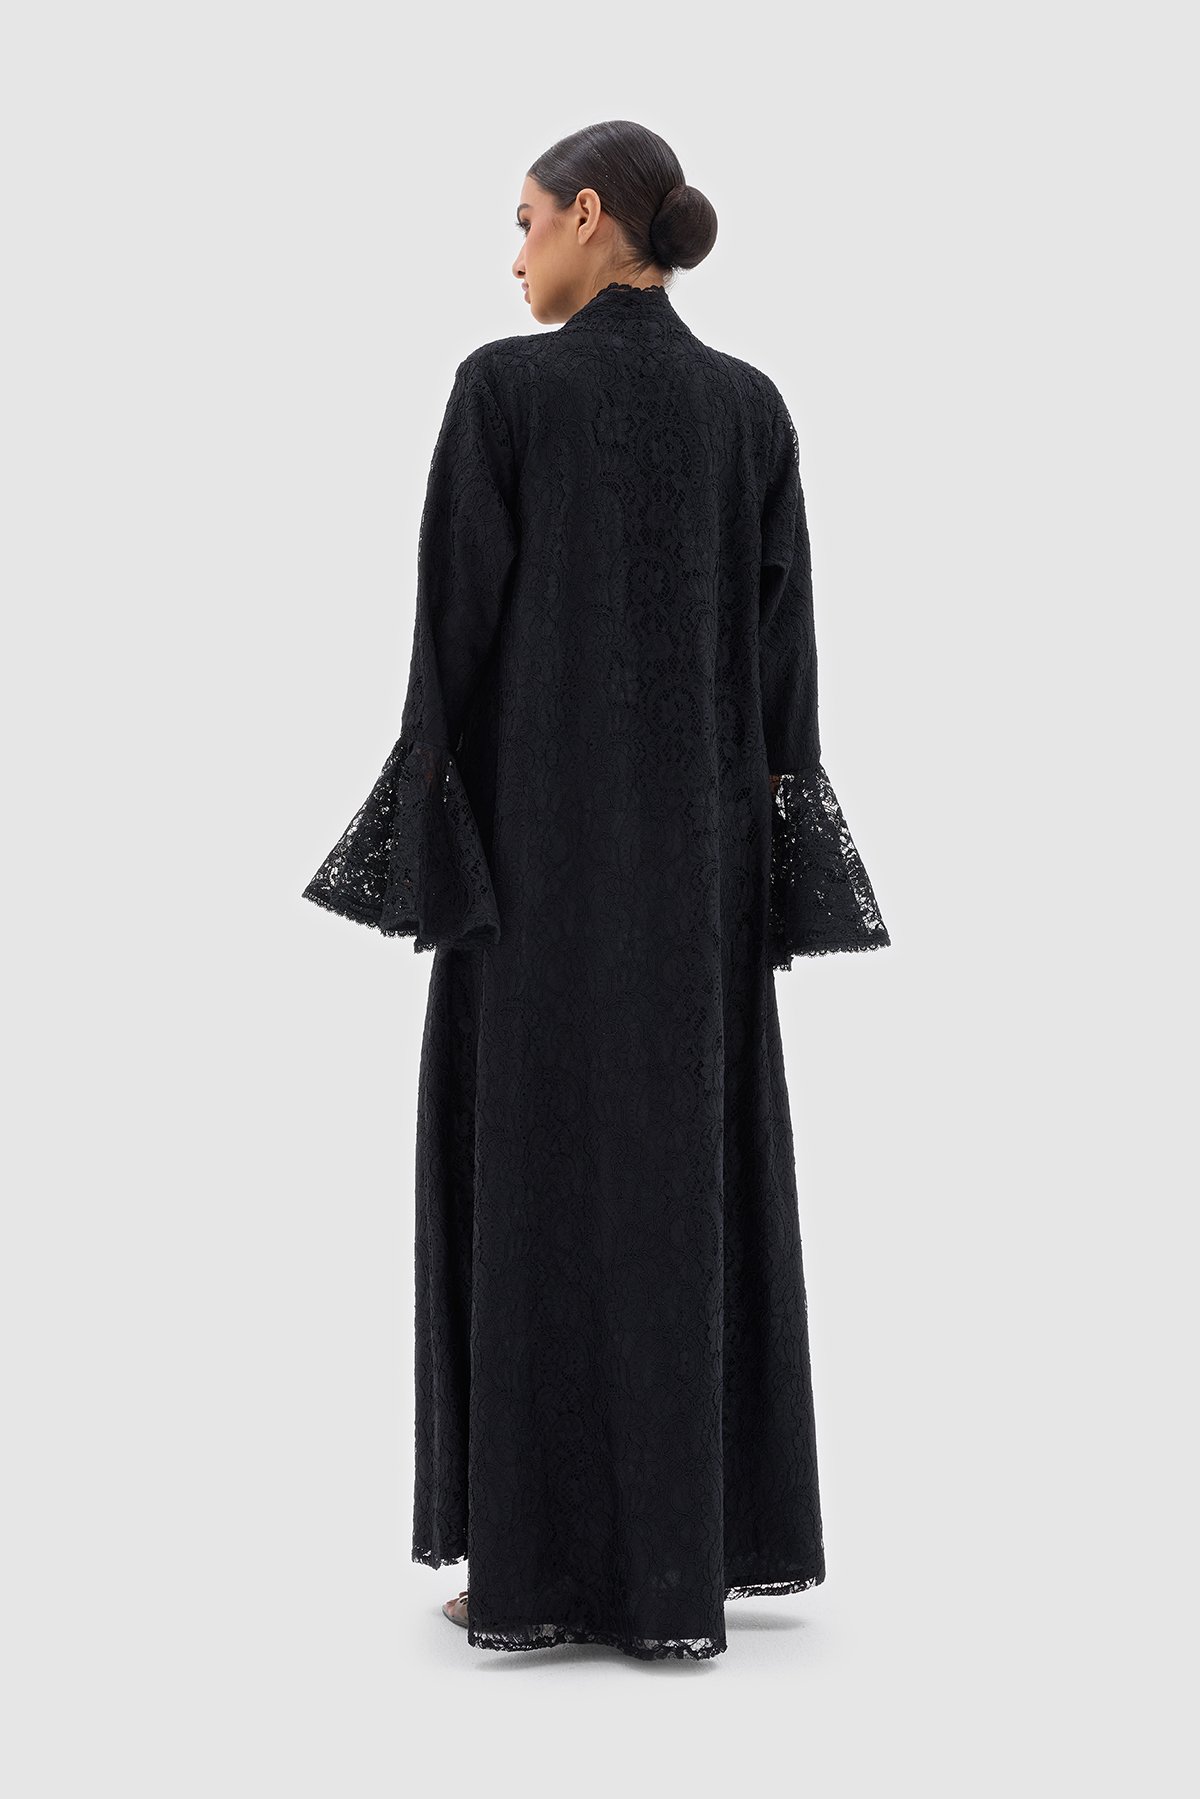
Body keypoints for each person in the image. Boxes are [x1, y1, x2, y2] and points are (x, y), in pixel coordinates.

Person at [301, 119, 891, 1662]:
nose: (512, 258)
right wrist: (772, 871)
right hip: (699, 885)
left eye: (521, 222)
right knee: (684, 1190)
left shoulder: (504, 391)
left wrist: (434, 852)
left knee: (533, 1190)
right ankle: (685, 1561)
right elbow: (784, 673)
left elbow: (451, 645)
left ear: (585, 214)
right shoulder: (749, 409)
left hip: (535, 875)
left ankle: (536, 1565)